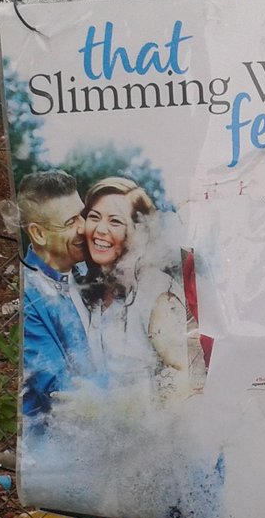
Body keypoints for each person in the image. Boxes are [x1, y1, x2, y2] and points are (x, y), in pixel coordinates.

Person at [78, 177, 187, 398]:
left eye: (115, 221)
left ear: (141, 232)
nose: (100, 229)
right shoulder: (93, 287)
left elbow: (184, 376)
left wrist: (115, 407)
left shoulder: (158, 294)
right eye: (94, 217)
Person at [17, 171, 97, 419]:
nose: (84, 227)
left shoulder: (88, 270)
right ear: (38, 234)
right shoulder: (27, 296)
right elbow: (62, 390)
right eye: (70, 222)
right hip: (54, 430)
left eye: (82, 215)